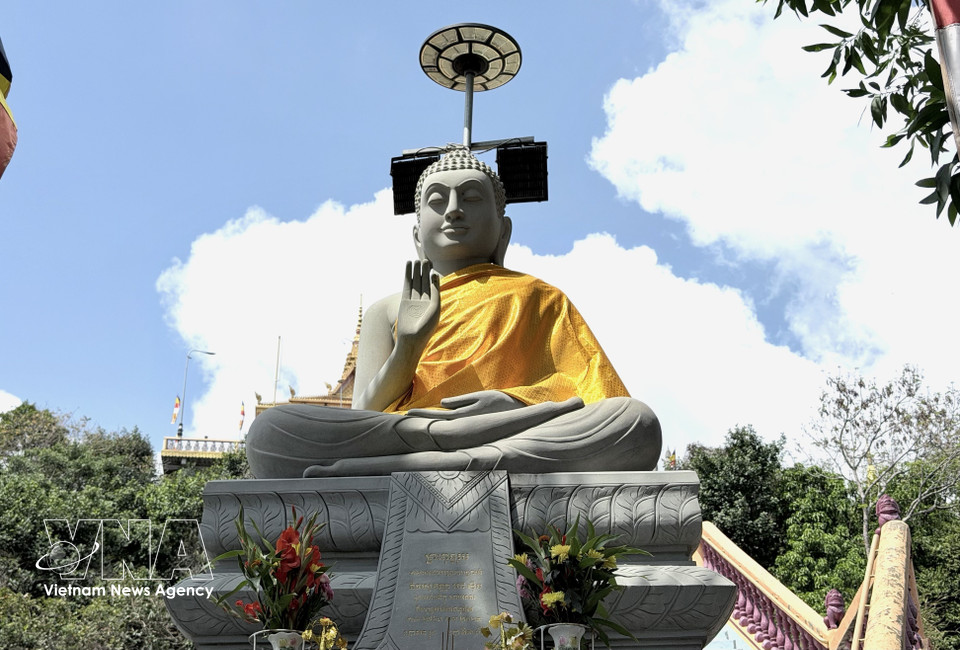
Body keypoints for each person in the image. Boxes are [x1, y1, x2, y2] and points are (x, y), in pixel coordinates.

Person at [245, 146, 661, 478]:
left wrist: (513, 401)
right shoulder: (387, 309)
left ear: (504, 230)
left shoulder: (539, 296)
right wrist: (408, 347)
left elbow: (592, 396)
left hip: (513, 426)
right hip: (414, 432)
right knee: (269, 434)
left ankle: (416, 467)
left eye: (472, 197)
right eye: (438, 201)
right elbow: (365, 414)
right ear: (416, 236)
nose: (454, 210)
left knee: (635, 422)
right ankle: (470, 463)